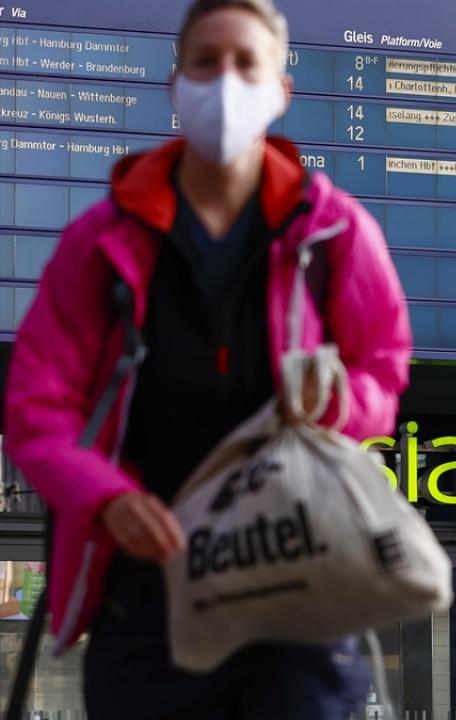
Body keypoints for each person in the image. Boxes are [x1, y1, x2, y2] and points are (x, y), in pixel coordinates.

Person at [3, 0, 411, 717]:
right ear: (176, 84)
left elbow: (384, 365)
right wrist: (105, 498)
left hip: (295, 595)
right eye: (205, 62)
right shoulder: (101, 241)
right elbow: (38, 405)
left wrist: (339, 402)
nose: (225, 81)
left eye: (247, 63)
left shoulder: (335, 231)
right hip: (148, 600)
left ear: (282, 90)